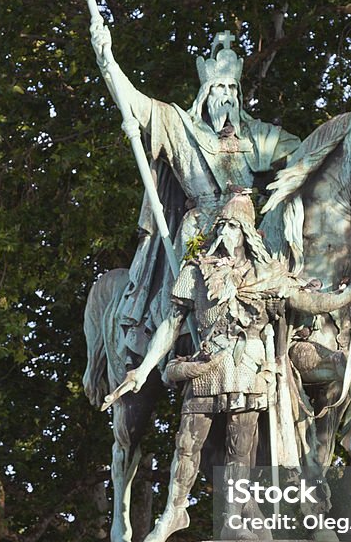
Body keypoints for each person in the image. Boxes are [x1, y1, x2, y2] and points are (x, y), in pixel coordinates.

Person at [109, 193, 351, 542]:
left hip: (249, 370)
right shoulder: (195, 271)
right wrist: (142, 369)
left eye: (234, 227)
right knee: (187, 443)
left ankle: (235, 517)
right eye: (222, 226)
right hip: (204, 367)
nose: (226, 233)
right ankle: (175, 510)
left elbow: (311, 301)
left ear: (248, 232)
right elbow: (172, 324)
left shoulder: (268, 275)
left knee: (240, 449)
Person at [90, 26, 300, 360]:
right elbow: (135, 105)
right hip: (200, 232)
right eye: (219, 87)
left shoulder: (259, 136)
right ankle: (181, 341)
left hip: (248, 231)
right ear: (205, 93)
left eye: (233, 87)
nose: (227, 96)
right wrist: (107, 60)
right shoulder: (180, 126)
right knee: (190, 290)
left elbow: (306, 155)